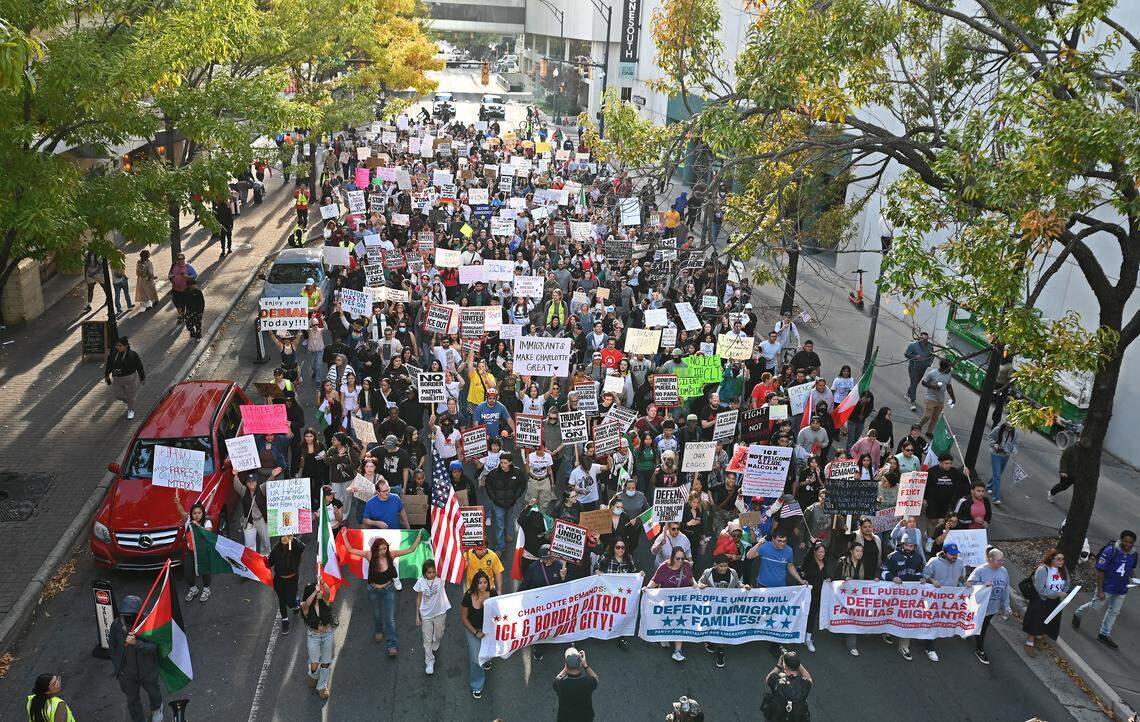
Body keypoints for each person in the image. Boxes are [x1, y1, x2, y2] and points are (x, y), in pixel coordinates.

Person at [343, 530, 424, 656]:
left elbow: (411, 549)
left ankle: (392, 645)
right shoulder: (369, 555)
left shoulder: (391, 555)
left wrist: (418, 536)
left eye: (384, 548)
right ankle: (378, 629)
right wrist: (343, 535)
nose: (382, 552)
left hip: (389, 590)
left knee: (390, 619)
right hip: (373, 590)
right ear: (375, 550)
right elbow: (350, 549)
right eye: (380, 549)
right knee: (377, 614)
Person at [1071, 530, 1137, 649]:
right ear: (1121, 540)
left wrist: (1135, 578)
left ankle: (1104, 634)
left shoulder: (1133, 553)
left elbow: (1130, 568)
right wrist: (1100, 590)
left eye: (1131, 543)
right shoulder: (1111, 551)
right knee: (1096, 606)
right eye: (1125, 541)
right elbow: (1101, 571)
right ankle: (1078, 613)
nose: (1128, 544)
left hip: (1122, 588)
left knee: (1114, 612)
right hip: (1107, 587)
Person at [108, 595, 163, 722]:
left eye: (130, 615)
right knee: (132, 700)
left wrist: (136, 643)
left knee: (153, 692)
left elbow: (154, 646)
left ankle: (156, 708)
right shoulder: (116, 625)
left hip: (147, 670)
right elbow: (112, 646)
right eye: (124, 614)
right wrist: (118, 666)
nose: (126, 618)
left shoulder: (149, 622)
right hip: (127, 673)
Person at [696, 554, 751, 667]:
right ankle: (710, 640)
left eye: (725, 566)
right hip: (712, 606)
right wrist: (700, 585)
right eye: (721, 566)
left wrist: (743, 586)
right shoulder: (708, 573)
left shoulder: (733, 573)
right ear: (715, 565)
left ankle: (720, 650)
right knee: (711, 624)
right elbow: (699, 582)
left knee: (723, 626)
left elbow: (737, 584)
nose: (723, 568)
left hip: (727, 606)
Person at [646, 546, 695, 662]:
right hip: (667, 601)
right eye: (677, 558)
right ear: (672, 557)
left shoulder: (686, 565)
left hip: (683, 601)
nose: (680, 561)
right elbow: (655, 581)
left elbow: (691, 579)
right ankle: (666, 635)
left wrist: (697, 587)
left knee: (680, 622)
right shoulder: (663, 567)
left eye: (682, 558)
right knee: (668, 620)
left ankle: (677, 651)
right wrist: (647, 588)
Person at [919, 542, 966, 661]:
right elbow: (924, 574)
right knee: (933, 620)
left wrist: (965, 583)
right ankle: (929, 647)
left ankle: (927, 636)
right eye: (952, 554)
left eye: (956, 554)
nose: (955, 556)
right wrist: (932, 580)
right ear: (944, 553)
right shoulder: (934, 562)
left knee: (941, 620)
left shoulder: (960, 563)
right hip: (935, 598)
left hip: (950, 599)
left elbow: (962, 577)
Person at [521, 545, 567, 661]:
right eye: (546, 558)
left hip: (555, 603)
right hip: (538, 605)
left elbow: (567, 586)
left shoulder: (560, 566)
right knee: (540, 627)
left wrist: (563, 578)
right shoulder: (533, 568)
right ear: (540, 558)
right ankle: (539, 647)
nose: (549, 560)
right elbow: (525, 585)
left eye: (551, 557)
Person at [880, 538, 925, 656]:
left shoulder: (919, 558)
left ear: (915, 546)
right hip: (894, 594)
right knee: (891, 613)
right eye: (907, 545)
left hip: (911, 595)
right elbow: (883, 572)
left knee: (908, 617)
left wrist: (920, 578)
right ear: (902, 544)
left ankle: (904, 646)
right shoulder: (893, 556)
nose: (909, 548)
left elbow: (919, 572)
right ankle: (887, 631)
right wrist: (892, 578)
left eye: (911, 546)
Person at [1022, 548, 1071, 657]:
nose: (1061, 562)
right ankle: (1029, 643)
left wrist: (1063, 592)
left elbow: (1067, 583)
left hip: (1054, 602)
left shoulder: (1063, 569)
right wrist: (1057, 593)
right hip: (1041, 601)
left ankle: (1039, 637)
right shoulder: (1043, 569)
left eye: (1063, 559)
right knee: (1035, 621)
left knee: (1047, 621)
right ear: (1051, 559)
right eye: (1058, 559)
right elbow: (1040, 589)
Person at [967, 547, 1012, 664]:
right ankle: (979, 649)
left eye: (1002, 560)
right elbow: (969, 584)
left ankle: (972, 634)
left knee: (983, 626)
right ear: (990, 559)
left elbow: (1006, 589)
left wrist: (1006, 605)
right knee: (981, 627)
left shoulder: (1004, 571)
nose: (1002, 563)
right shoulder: (980, 571)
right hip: (980, 606)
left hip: (992, 607)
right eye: (999, 560)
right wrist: (983, 585)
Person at [834, 541, 876, 656]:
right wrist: (844, 578)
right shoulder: (843, 561)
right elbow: (834, 577)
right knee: (851, 618)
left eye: (861, 551)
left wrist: (875, 580)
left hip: (859, 597)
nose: (860, 553)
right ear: (851, 551)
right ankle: (851, 645)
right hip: (845, 596)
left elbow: (869, 577)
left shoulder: (865, 563)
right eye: (857, 551)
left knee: (857, 616)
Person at [461, 570, 497, 699]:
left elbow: (498, 611)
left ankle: (487, 660)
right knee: (476, 660)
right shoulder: (467, 596)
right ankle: (477, 685)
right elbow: (464, 618)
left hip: (488, 629)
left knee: (488, 651)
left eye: (485, 582)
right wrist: (476, 632)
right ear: (475, 583)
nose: (482, 585)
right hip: (473, 629)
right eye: (480, 583)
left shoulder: (492, 593)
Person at [415, 559, 451, 675]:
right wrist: (417, 616)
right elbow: (419, 598)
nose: (432, 574)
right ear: (425, 573)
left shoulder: (440, 580)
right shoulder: (420, 582)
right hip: (426, 615)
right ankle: (429, 661)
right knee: (427, 640)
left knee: (439, 634)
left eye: (433, 572)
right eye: (429, 572)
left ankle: (436, 639)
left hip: (440, 612)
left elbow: (448, 567)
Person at [300, 580, 335, 699]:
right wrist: (315, 592)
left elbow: (328, 594)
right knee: (314, 664)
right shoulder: (305, 606)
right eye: (316, 592)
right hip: (313, 636)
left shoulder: (324, 601)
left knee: (326, 662)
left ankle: (322, 686)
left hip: (328, 633)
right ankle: (313, 675)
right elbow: (306, 604)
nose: (319, 593)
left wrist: (324, 584)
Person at [173, 495, 212, 602]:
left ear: (203, 513)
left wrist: (198, 526)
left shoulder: (207, 522)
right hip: (190, 552)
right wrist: (177, 502)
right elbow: (181, 511)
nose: (197, 515)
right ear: (191, 514)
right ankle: (193, 589)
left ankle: (206, 589)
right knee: (187, 573)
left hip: (203, 552)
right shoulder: (188, 521)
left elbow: (207, 535)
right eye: (194, 513)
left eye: (199, 513)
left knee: (204, 572)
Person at [267, 534, 305, 635]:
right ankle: (285, 621)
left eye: (287, 536)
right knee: (282, 600)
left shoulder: (295, 546)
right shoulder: (276, 549)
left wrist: (293, 540)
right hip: (279, 580)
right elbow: (270, 563)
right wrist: (266, 559)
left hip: (292, 579)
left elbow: (301, 548)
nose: (285, 538)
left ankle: (296, 604)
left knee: (290, 601)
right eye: (282, 536)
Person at [762, 650, 812, 722]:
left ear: (784, 666)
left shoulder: (776, 680)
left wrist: (779, 665)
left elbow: (768, 679)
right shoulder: (805, 683)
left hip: (776, 716)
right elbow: (809, 678)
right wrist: (797, 663)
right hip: (797, 717)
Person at [552, 647, 599, 722]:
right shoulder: (587, 682)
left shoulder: (560, 683)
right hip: (585, 717)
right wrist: (585, 665)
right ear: (580, 664)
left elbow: (557, 678)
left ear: (566, 665)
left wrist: (566, 668)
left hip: (565, 718)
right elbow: (596, 679)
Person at [104, 336, 145, 420]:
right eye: (117, 346)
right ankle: (130, 402)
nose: (118, 347)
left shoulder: (133, 355)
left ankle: (131, 410)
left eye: (120, 346)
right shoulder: (113, 354)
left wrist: (142, 377)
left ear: (126, 346)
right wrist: (106, 375)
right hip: (117, 379)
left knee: (130, 395)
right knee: (117, 395)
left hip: (130, 379)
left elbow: (139, 366)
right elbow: (108, 365)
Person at [917, 358, 955, 437]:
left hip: (940, 400)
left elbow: (949, 386)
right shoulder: (933, 373)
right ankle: (918, 426)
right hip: (930, 398)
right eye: (949, 368)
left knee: (935, 417)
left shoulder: (949, 375)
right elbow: (923, 382)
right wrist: (932, 386)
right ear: (944, 368)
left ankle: (929, 432)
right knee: (928, 415)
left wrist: (953, 398)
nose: (950, 369)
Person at [988, 419, 1017, 505]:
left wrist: (1014, 451)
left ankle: (989, 485)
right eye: (1008, 427)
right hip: (995, 454)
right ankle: (996, 497)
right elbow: (989, 437)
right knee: (997, 476)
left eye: (1011, 428)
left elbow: (1015, 444)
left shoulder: (1016, 433)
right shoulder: (997, 429)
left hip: (1006, 455)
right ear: (1005, 425)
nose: (1009, 429)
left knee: (998, 473)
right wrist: (995, 444)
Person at [903, 331, 934, 412]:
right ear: (919, 338)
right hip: (913, 367)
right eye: (922, 339)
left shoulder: (930, 346)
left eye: (926, 339)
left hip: (923, 368)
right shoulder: (913, 345)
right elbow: (906, 354)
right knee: (914, 383)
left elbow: (932, 355)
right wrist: (915, 356)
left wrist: (929, 363)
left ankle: (908, 394)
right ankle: (913, 402)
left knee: (916, 382)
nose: (924, 341)